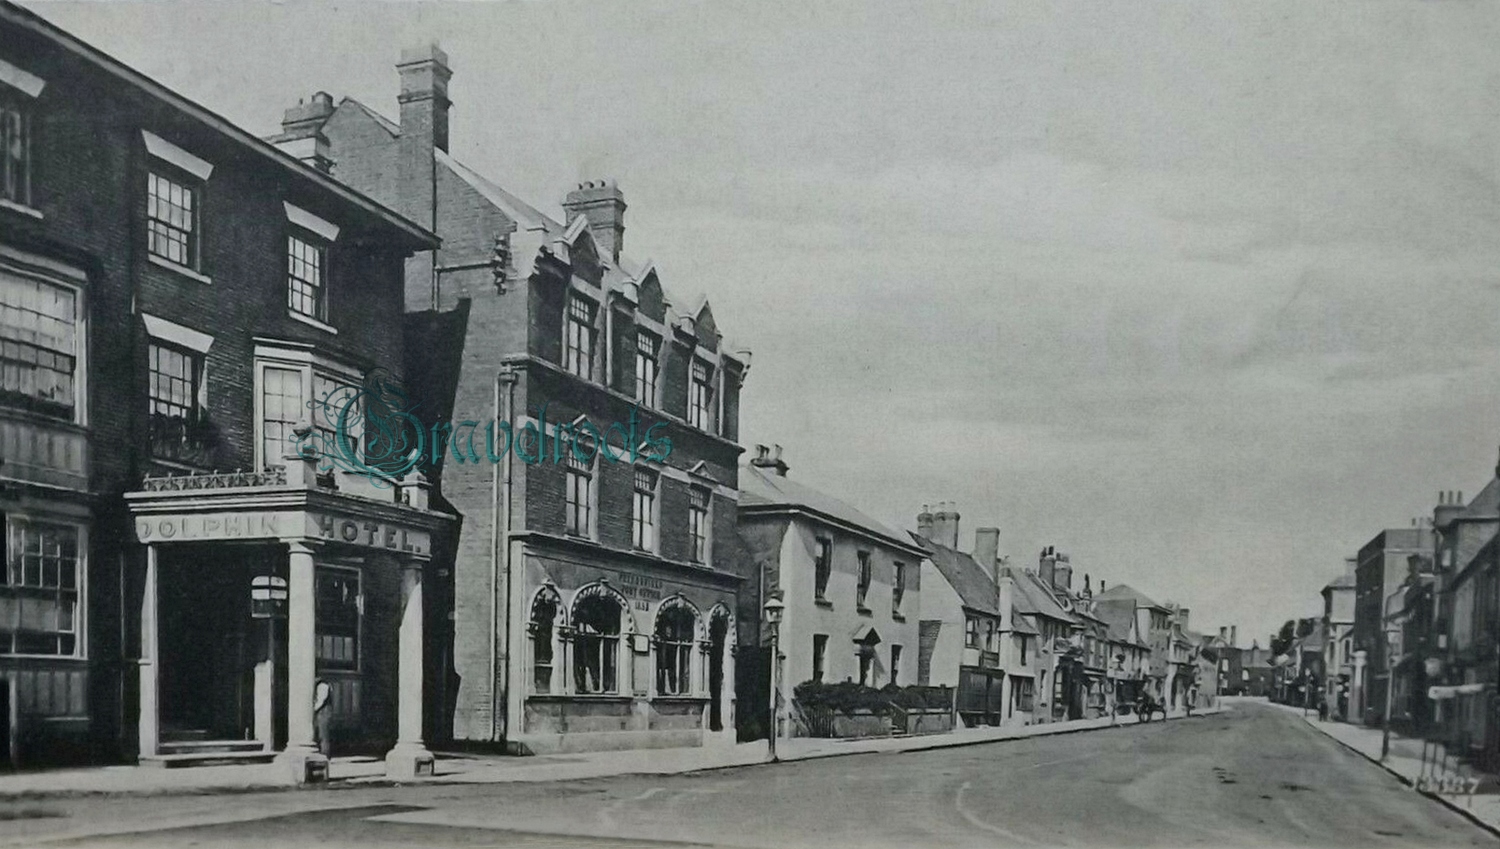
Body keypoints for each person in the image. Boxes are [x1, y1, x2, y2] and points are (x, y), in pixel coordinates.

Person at [313, 678, 333, 757]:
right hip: (322, 712)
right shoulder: (322, 685)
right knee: (320, 734)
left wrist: (313, 709)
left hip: (323, 712)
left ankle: (324, 754)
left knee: (323, 735)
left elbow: (321, 700)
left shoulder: (323, 686)